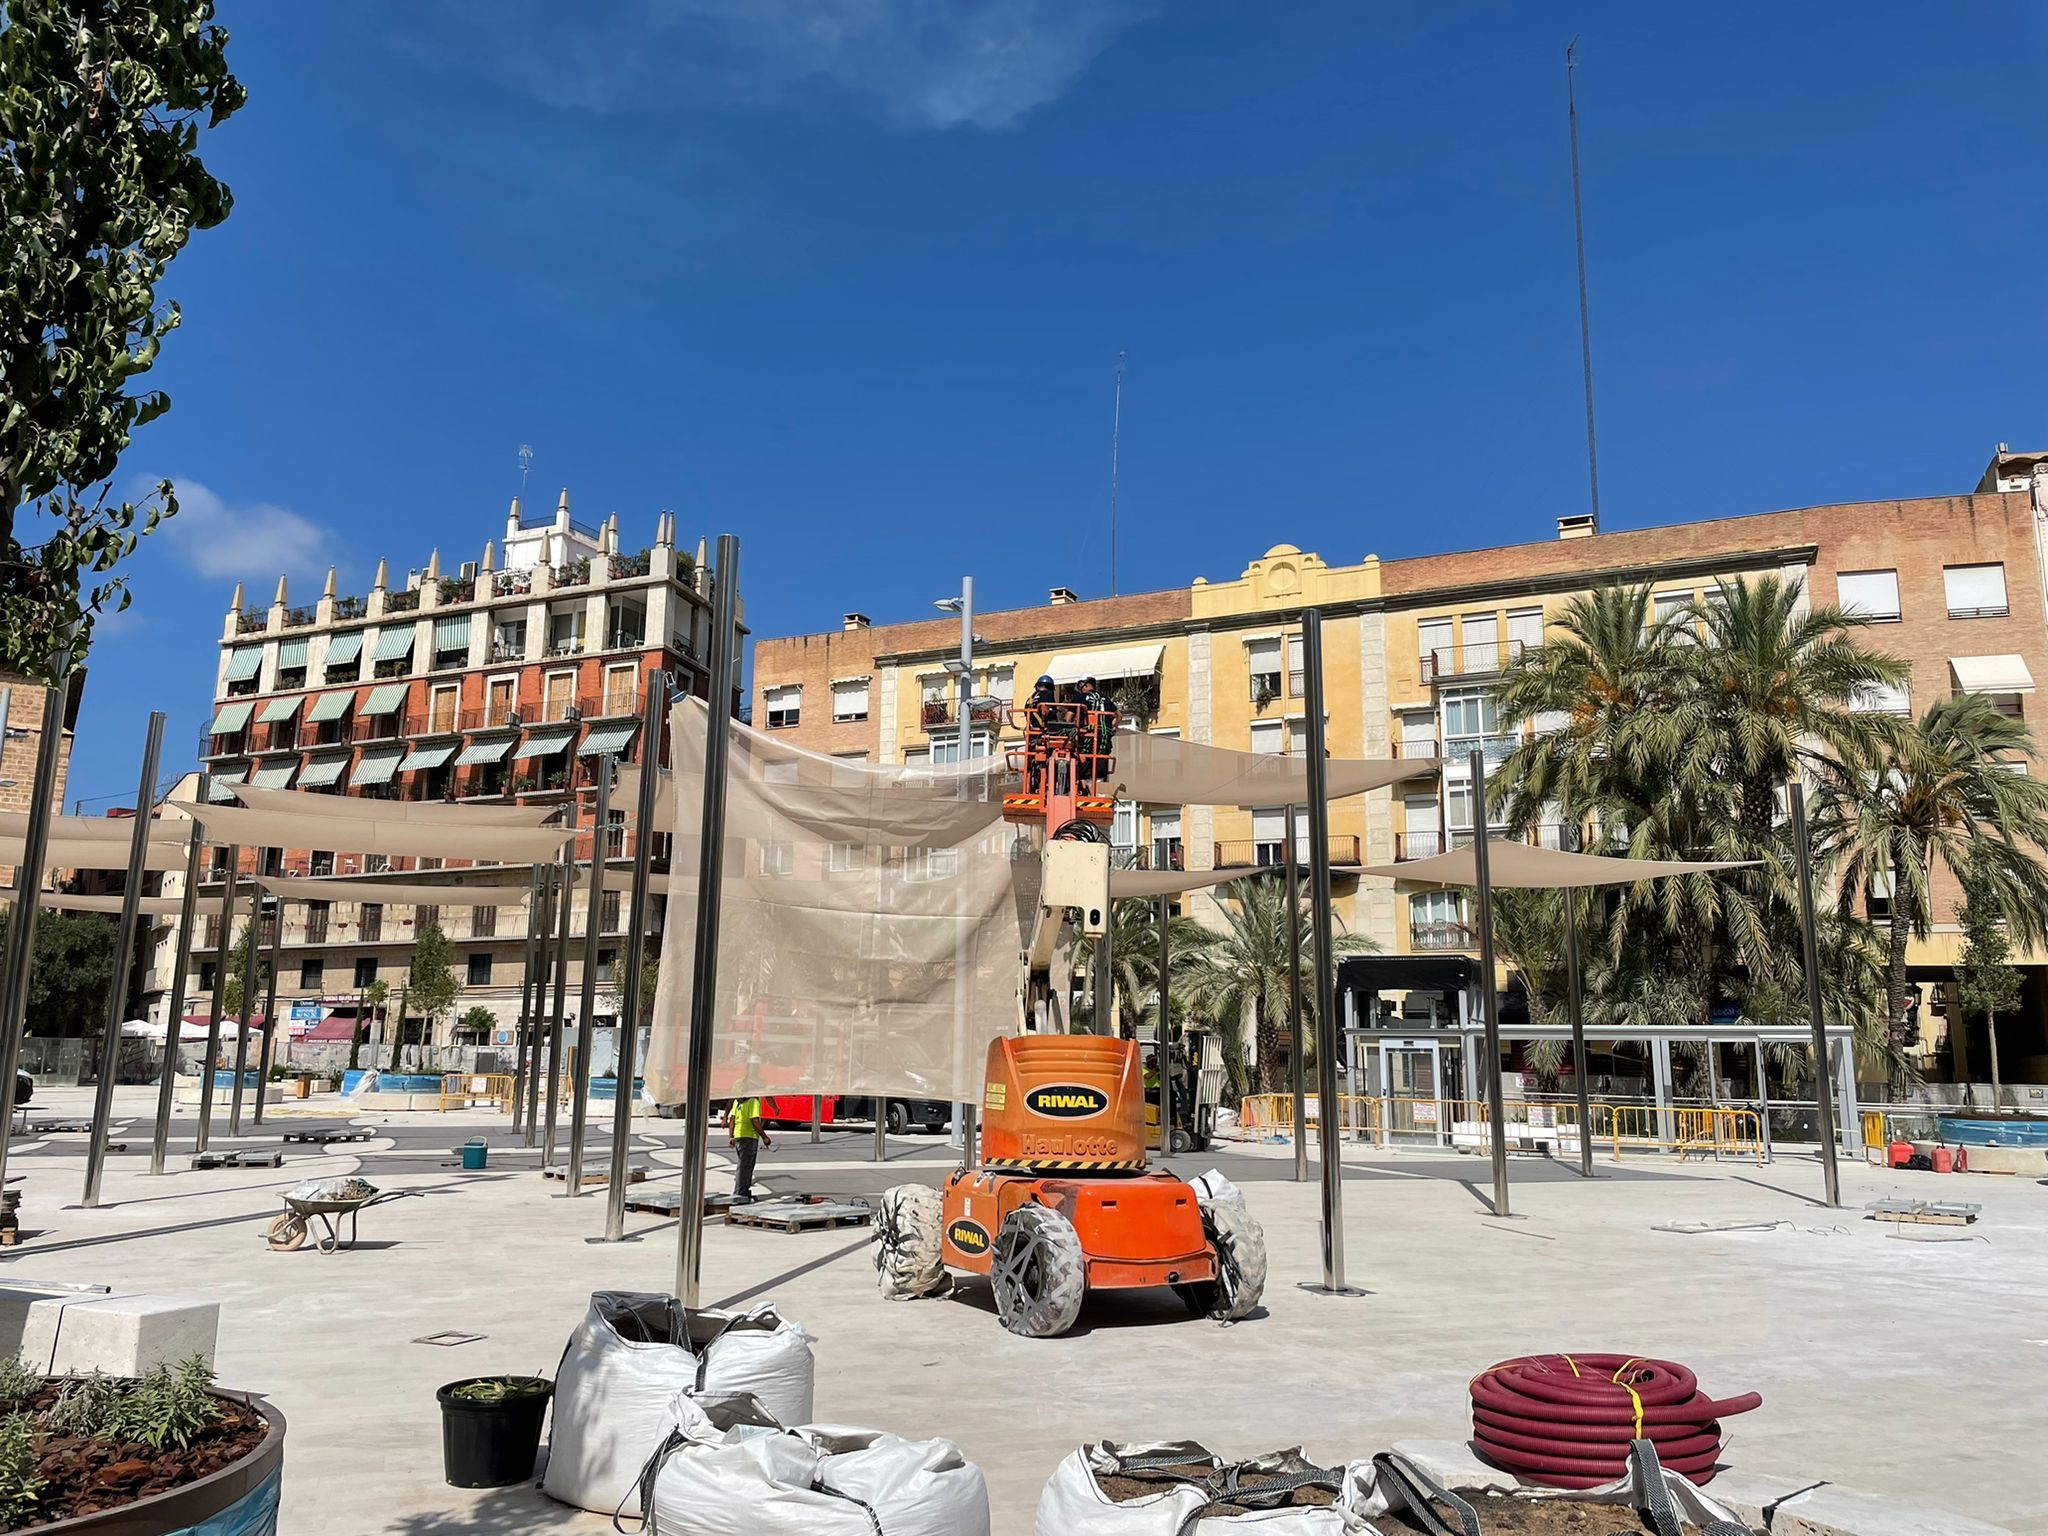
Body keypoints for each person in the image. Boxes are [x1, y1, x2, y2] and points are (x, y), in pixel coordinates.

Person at [728, 1090, 771, 1203]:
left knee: (744, 1165)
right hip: (749, 1137)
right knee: (745, 1167)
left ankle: (744, 1191)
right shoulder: (753, 1101)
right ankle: (740, 1193)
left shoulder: (737, 1102)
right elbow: (755, 1120)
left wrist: (731, 1136)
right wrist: (764, 1136)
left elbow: (732, 1119)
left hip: (738, 1136)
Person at [1076, 674, 1118, 787]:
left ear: (1083, 684)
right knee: (1100, 766)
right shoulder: (1105, 698)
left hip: (1086, 739)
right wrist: (1112, 727)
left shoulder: (1080, 698)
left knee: (1083, 766)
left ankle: (1084, 787)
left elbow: (1068, 717)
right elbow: (1118, 716)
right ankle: (1098, 789)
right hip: (1104, 741)